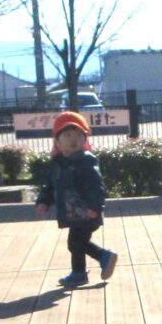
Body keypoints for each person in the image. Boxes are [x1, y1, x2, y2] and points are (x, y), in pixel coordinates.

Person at [35, 110, 119, 288]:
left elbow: (96, 186)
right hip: (73, 212)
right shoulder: (57, 162)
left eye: (79, 135)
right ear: (57, 141)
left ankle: (99, 259)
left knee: (76, 242)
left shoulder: (86, 161)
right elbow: (49, 185)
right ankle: (83, 270)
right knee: (77, 243)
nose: (73, 139)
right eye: (67, 135)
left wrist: (94, 207)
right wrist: (44, 201)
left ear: (85, 140)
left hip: (87, 212)